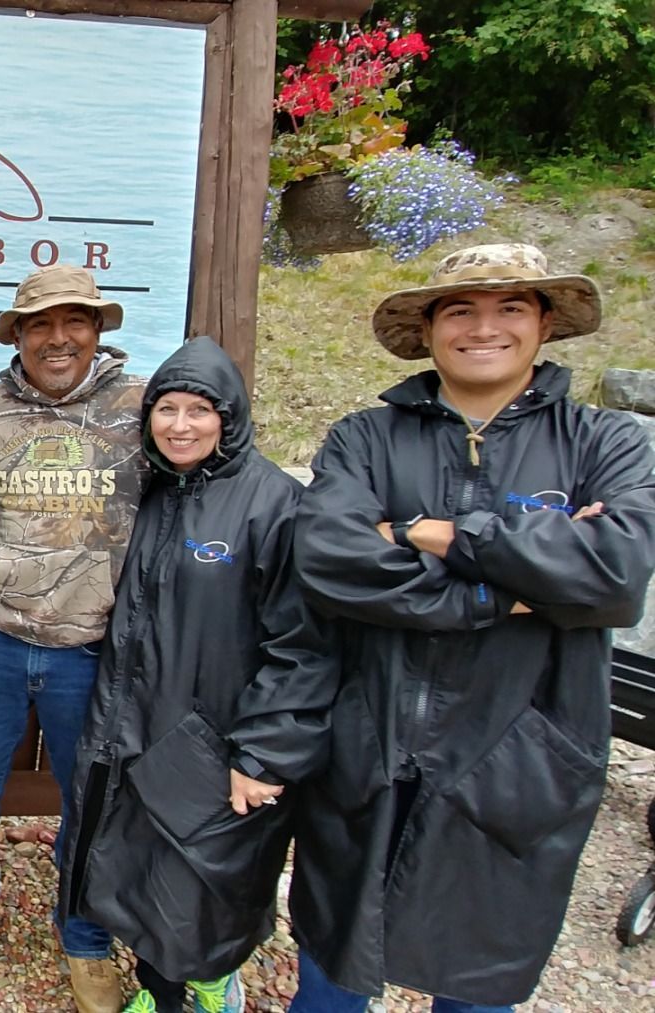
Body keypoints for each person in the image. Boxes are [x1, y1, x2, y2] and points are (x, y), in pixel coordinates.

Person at [288, 244, 655, 1011]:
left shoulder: (606, 443)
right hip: (372, 736)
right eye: (461, 308)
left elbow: (614, 576)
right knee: (333, 965)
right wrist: (509, 588)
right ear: (429, 327)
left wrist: (425, 530)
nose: (484, 326)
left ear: (545, 323)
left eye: (511, 307)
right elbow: (328, 558)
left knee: (478, 977)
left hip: (521, 746)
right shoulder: (367, 438)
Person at [59, 337, 337, 1013]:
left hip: (221, 735)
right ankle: (158, 991)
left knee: (213, 875)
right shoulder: (152, 492)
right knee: (142, 867)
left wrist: (265, 751)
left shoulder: (274, 505)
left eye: (199, 410)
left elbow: (306, 645)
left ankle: (215, 984)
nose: (180, 425)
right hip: (139, 724)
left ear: (230, 416)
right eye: (167, 409)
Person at [0, 264, 149, 1011]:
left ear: (96, 329)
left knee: (92, 798)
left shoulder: (142, 409)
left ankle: (85, 933)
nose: (58, 338)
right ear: (17, 335)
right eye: (39, 324)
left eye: (73, 321)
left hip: (96, 651)